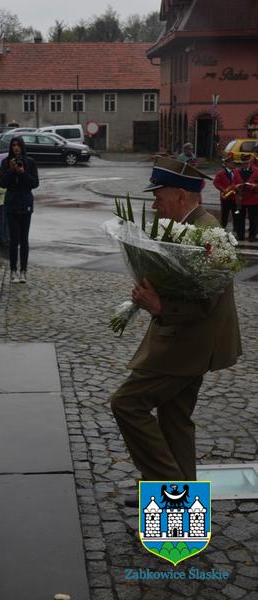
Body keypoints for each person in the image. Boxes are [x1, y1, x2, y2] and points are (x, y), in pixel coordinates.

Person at [110, 156, 241, 506]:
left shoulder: (207, 233)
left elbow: (206, 303)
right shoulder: (188, 225)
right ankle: (173, 503)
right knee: (175, 418)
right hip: (182, 342)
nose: (154, 204)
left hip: (187, 346)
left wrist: (159, 306)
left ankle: (171, 492)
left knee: (127, 404)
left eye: (160, 196)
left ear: (182, 196)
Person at [0, 137, 39, 283]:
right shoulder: (5, 162)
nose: (16, 148)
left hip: (26, 203)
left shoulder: (30, 162)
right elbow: (2, 183)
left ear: (22, 147)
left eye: (18, 145)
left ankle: (23, 270)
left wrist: (22, 173)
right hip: (11, 204)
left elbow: (35, 183)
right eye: (13, 145)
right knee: (14, 240)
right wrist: (11, 170)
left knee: (24, 239)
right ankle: (13, 270)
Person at [232, 154, 258, 242]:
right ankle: (240, 235)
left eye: (246, 163)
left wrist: (254, 185)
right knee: (240, 218)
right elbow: (233, 184)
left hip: (253, 198)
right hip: (240, 199)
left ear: (249, 163)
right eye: (243, 163)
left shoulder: (256, 171)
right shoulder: (236, 171)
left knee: (253, 218)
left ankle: (252, 236)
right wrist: (237, 186)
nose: (245, 165)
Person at [213, 153, 236, 229]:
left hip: (234, 197)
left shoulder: (236, 172)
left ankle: (236, 228)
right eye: (231, 163)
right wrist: (223, 189)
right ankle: (222, 228)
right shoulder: (221, 173)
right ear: (226, 164)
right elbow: (215, 182)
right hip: (225, 197)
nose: (232, 164)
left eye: (233, 162)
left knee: (235, 213)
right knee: (224, 214)